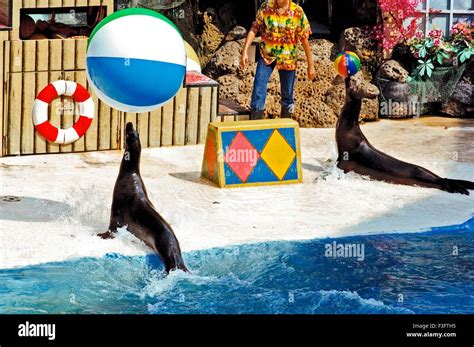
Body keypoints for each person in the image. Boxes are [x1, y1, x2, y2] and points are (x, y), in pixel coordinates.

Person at [240, 0, 315, 120]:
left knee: (287, 94)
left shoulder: (297, 12)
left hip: (288, 58)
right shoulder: (266, 7)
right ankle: (255, 122)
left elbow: (304, 40)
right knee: (258, 88)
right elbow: (254, 29)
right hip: (267, 55)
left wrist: (310, 65)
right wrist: (244, 52)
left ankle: (285, 125)